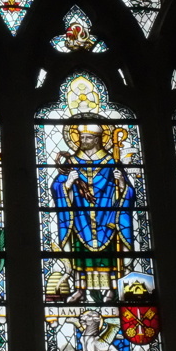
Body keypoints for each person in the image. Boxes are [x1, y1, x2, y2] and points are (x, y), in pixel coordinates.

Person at [52, 125, 134, 302]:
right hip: (81, 218)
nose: (83, 141)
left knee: (110, 253)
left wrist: (121, 184)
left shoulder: (112, 162)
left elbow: (129, 193)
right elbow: (57, 187)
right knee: (80, 253)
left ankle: (113, 289)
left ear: (97, 140)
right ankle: (80, 289)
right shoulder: (71, 162)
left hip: (107, 217)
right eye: (81, 138)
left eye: (87, 138)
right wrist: (68, 183)